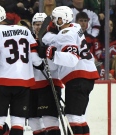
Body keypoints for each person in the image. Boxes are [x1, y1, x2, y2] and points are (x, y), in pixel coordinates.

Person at [37, 6, 99, 135]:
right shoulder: (76, 28)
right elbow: (61, 41)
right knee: (80, 117)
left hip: (77, 77)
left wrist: (49, 51)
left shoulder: (66, 33)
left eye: (56, 19)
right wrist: (48, 38)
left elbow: (71, 59)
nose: (53, 22)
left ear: (63, 19)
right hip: (87, 77)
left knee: (73, 117)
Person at [0, 4, 43, 135]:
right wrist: (41, 65)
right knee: (18, 122)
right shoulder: (25, 31)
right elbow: (35, 58)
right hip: (23, 83)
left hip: (2, 82)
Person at [28, 12, 64, 135]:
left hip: (49, 84)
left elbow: (54, 66)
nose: (38, 27)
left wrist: (46, 53)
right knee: (33, 121)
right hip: (31, 86)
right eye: (36, 24)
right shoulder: (27, 41)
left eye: (41, 24)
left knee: (49, 119)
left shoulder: (54, 39)